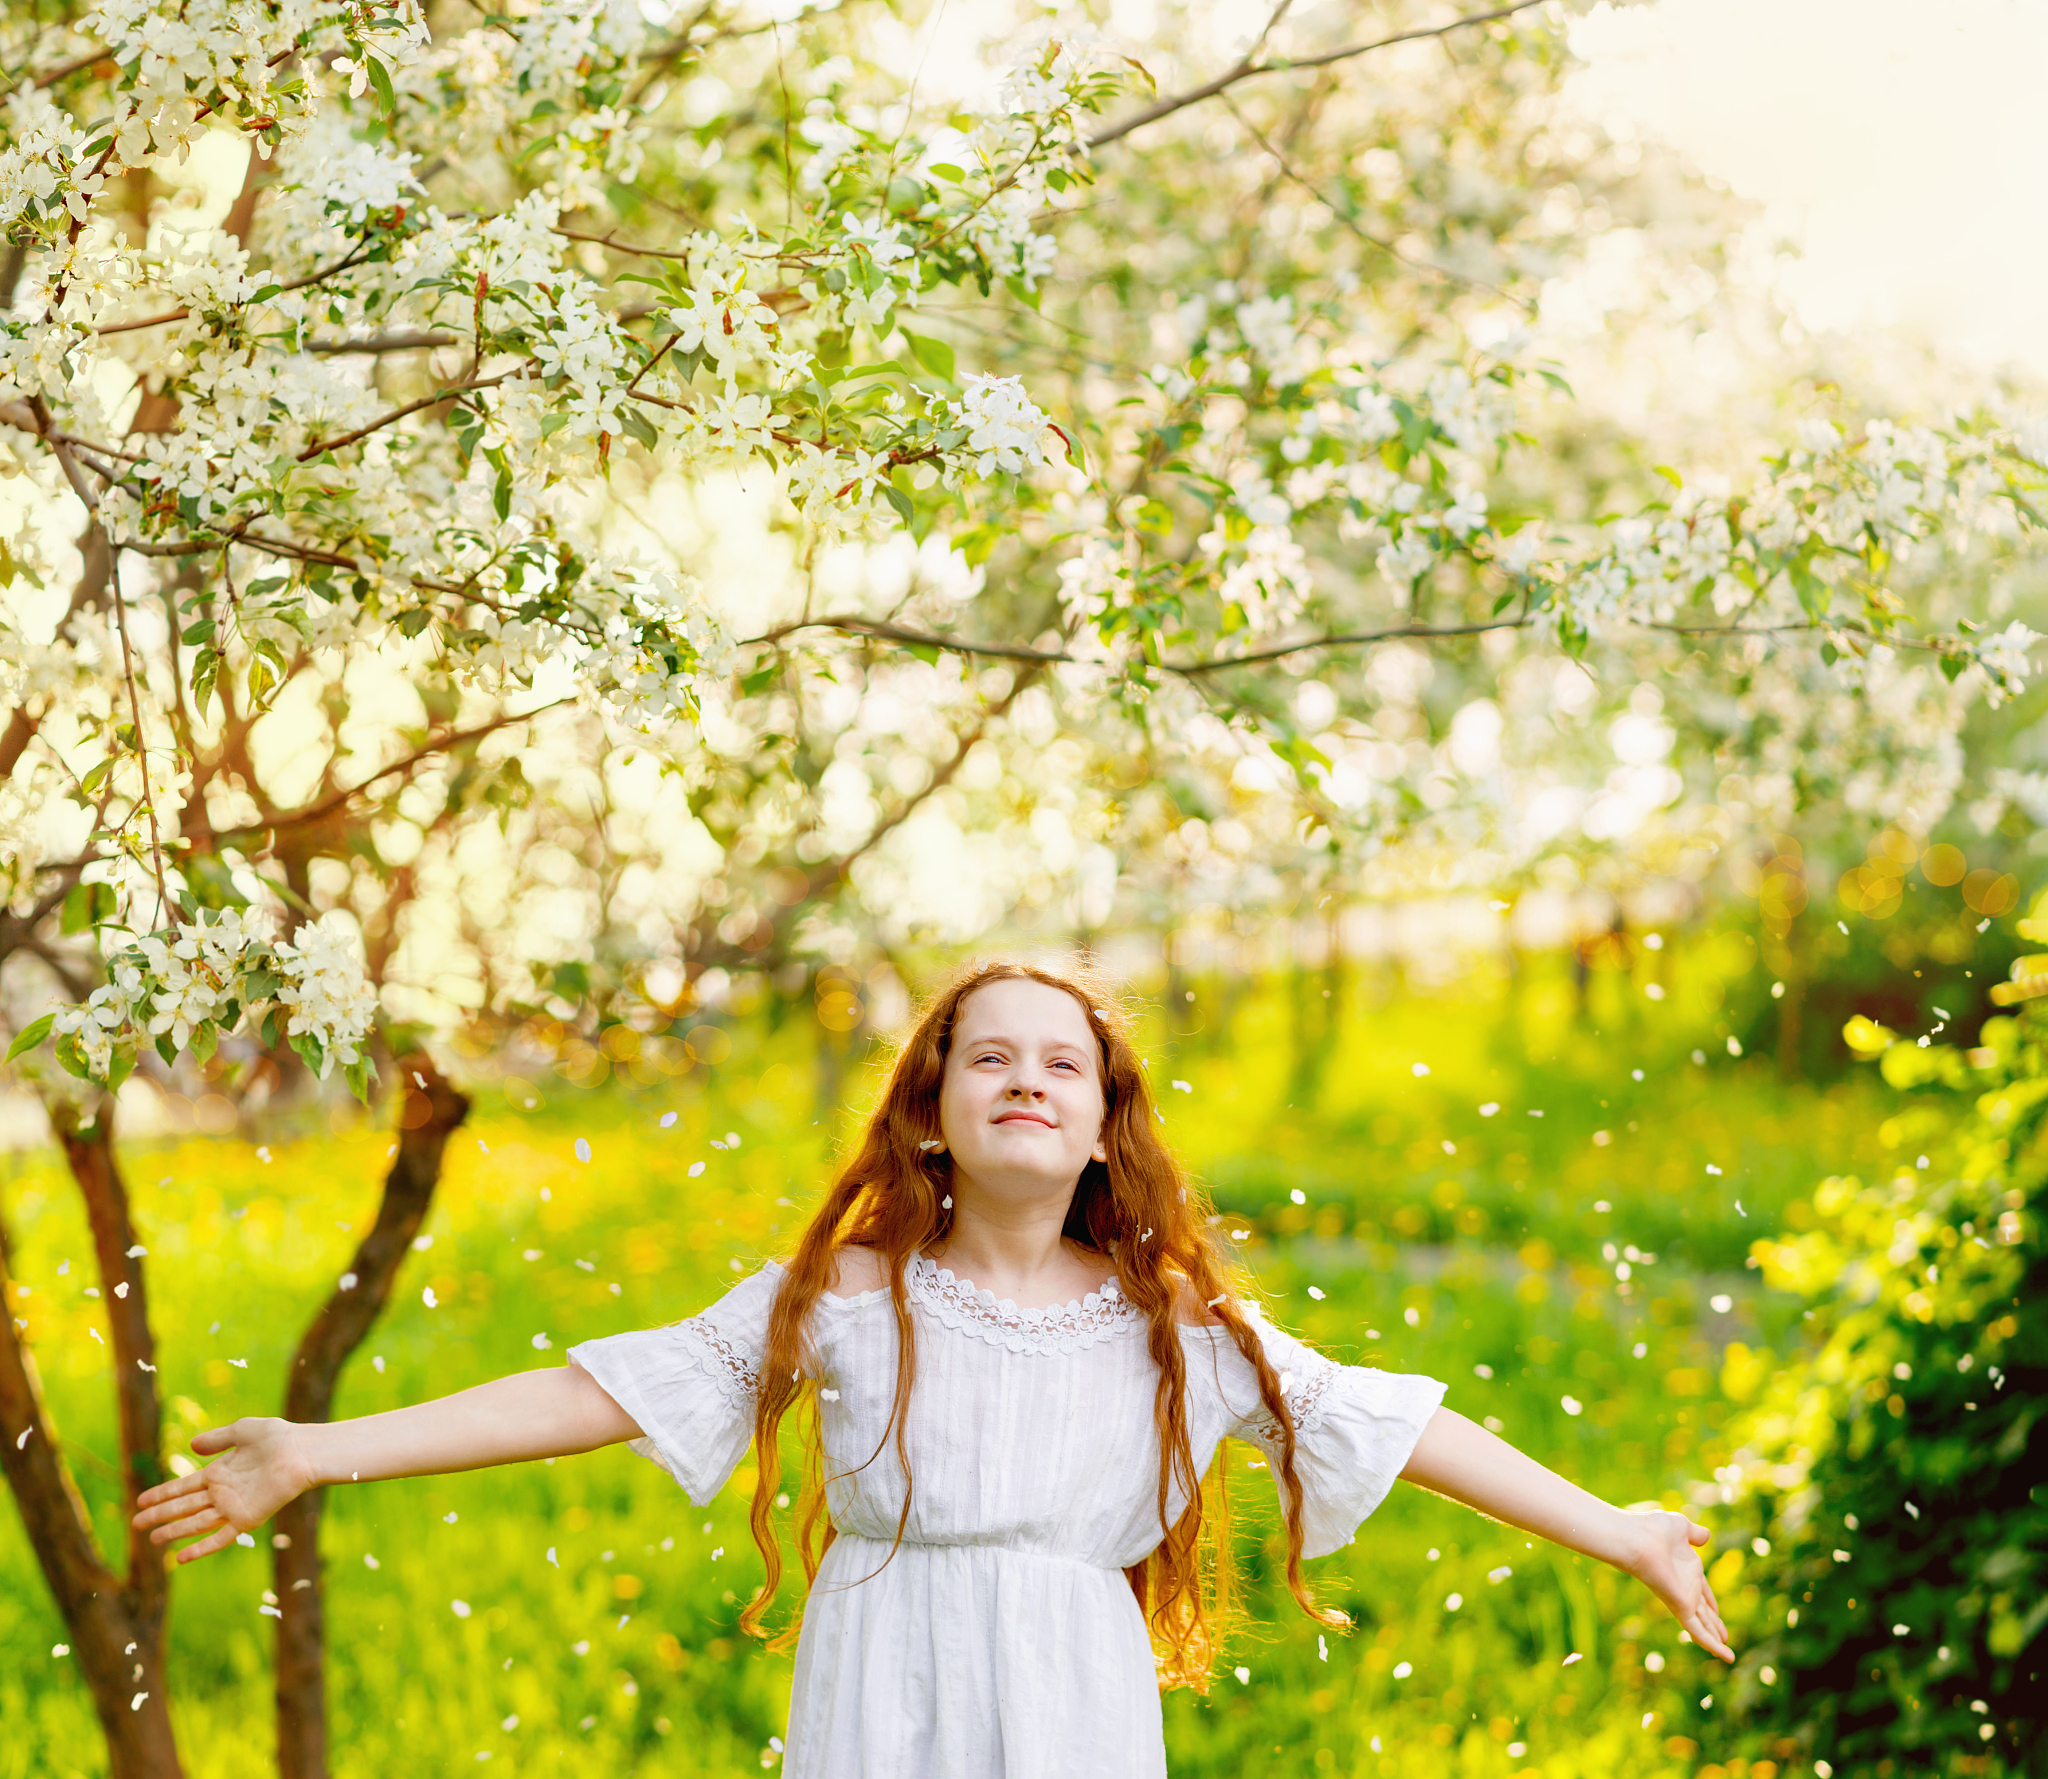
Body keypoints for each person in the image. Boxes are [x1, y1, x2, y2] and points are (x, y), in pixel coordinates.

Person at [132, 958, 1733, 1776]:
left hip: (1071, 1688)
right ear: (929, 1112)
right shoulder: (844, 1293)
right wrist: (317, 1452)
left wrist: (1624, 1528)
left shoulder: (1180, 1321)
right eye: (991, 1056)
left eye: (1064, 1063)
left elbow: (1398, 1430)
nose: (1027, 1078)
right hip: (885, 1671)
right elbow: (601, 1393)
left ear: (1107, 1126)